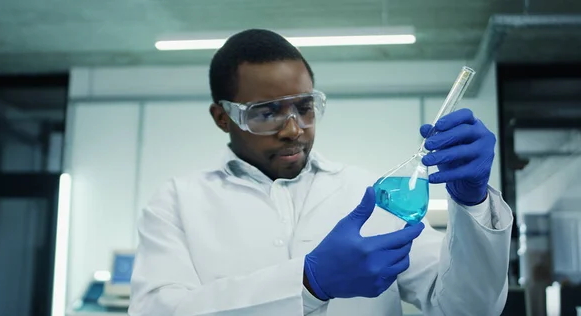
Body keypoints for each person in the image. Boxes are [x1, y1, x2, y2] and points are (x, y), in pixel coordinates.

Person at [129, 29, 513, 316]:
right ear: (222, 117)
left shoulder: (366, 192)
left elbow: (469, 308)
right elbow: (157, 310)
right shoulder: (178, 200)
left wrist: (473, 202)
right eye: (267, 112)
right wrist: (308, 283)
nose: (294, 129)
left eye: (305, 107)